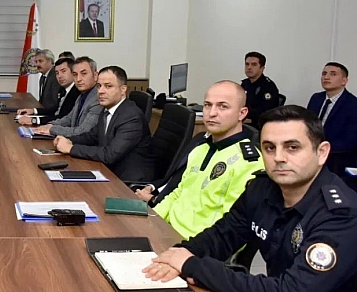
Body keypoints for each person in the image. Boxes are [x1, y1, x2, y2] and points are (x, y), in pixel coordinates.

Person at [143, 105, 357, 292]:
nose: (278, 157)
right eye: (269, 148)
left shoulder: (341, 215)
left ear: (321, 153)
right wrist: (179, 254)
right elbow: (222, 235)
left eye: (292, 147)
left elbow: (291, 289)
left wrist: (193, 266)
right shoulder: (262, 188)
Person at [135, 81, 264, 239]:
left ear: (242, 113)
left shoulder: (249, 163)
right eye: (208, 105)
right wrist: (152, 222)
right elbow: (178, 193)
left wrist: (185, 248)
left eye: (223, 106)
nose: (212, 113)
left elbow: (234, 229)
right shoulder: (201, 148)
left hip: (196, 245)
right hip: (167, 231)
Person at [53, 66, 154, 180]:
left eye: (108, 86)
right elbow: (92, 136)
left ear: (123, 89)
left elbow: (110, 154)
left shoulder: (131, 117)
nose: (100, 91)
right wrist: (68, 140)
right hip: (109, 171)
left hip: (128, 181)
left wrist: (71, 148)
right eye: (99, 86)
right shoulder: (107, 109)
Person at [306, 62, 357, 173]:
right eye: (324, 74)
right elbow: (307, 124)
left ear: (344, 81)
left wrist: (321, 148)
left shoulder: (353, 104)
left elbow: (351, 140)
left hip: (337, 158)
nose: (326, 77)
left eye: (333, 74)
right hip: (312, 152)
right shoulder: (316, 98)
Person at [34, 56, 103, 137]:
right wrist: (49, 125)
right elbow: (69, 119)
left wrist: (52, 129)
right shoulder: (82, 95)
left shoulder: (98, 98)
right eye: (75, 74)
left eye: (84, 74)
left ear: (95, 76)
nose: (78, 79)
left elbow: (83, 131)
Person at [17, 57, 80, 126]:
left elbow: (63, 118)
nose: (59, 76)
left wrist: (35, 120)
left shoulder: (77, 92)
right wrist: (34, 111)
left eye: (63, 71)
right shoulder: (63, 90)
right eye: (57, 73)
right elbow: (55, 110)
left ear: (73, 72)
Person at [240, 51, 279, 127]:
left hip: (258, 126)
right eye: (247, 64)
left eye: (254, 64)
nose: (249, 67)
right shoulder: (245, 84)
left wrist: (249, 120)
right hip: (243, 121)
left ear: (262, 68)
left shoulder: (268, 87)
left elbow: (267, 113)